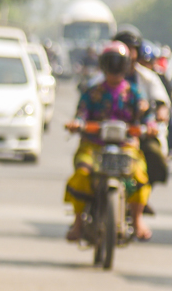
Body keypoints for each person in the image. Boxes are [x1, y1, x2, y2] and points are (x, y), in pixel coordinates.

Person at [64, 40, 153, 242]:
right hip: (93, 147)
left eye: (118, 64)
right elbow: (81, 114)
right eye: (110, 64)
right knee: (81, 174)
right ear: (103, 65)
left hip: (126, 147)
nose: (115, 69)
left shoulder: (134, 93)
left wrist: (151, 126)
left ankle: (137, 219)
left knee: (139, 176)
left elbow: (145, 115)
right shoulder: (91, 92)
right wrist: (77, 124)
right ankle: (78, 223)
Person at [114, 26, 170, 201]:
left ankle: (140, 200)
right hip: (107, 133)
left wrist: (159, 115)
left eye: (131, 49)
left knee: (154, 158)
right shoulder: (101, 81)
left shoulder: (146, 79)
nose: (127, 54)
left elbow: (161, 102)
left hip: (138, 132)